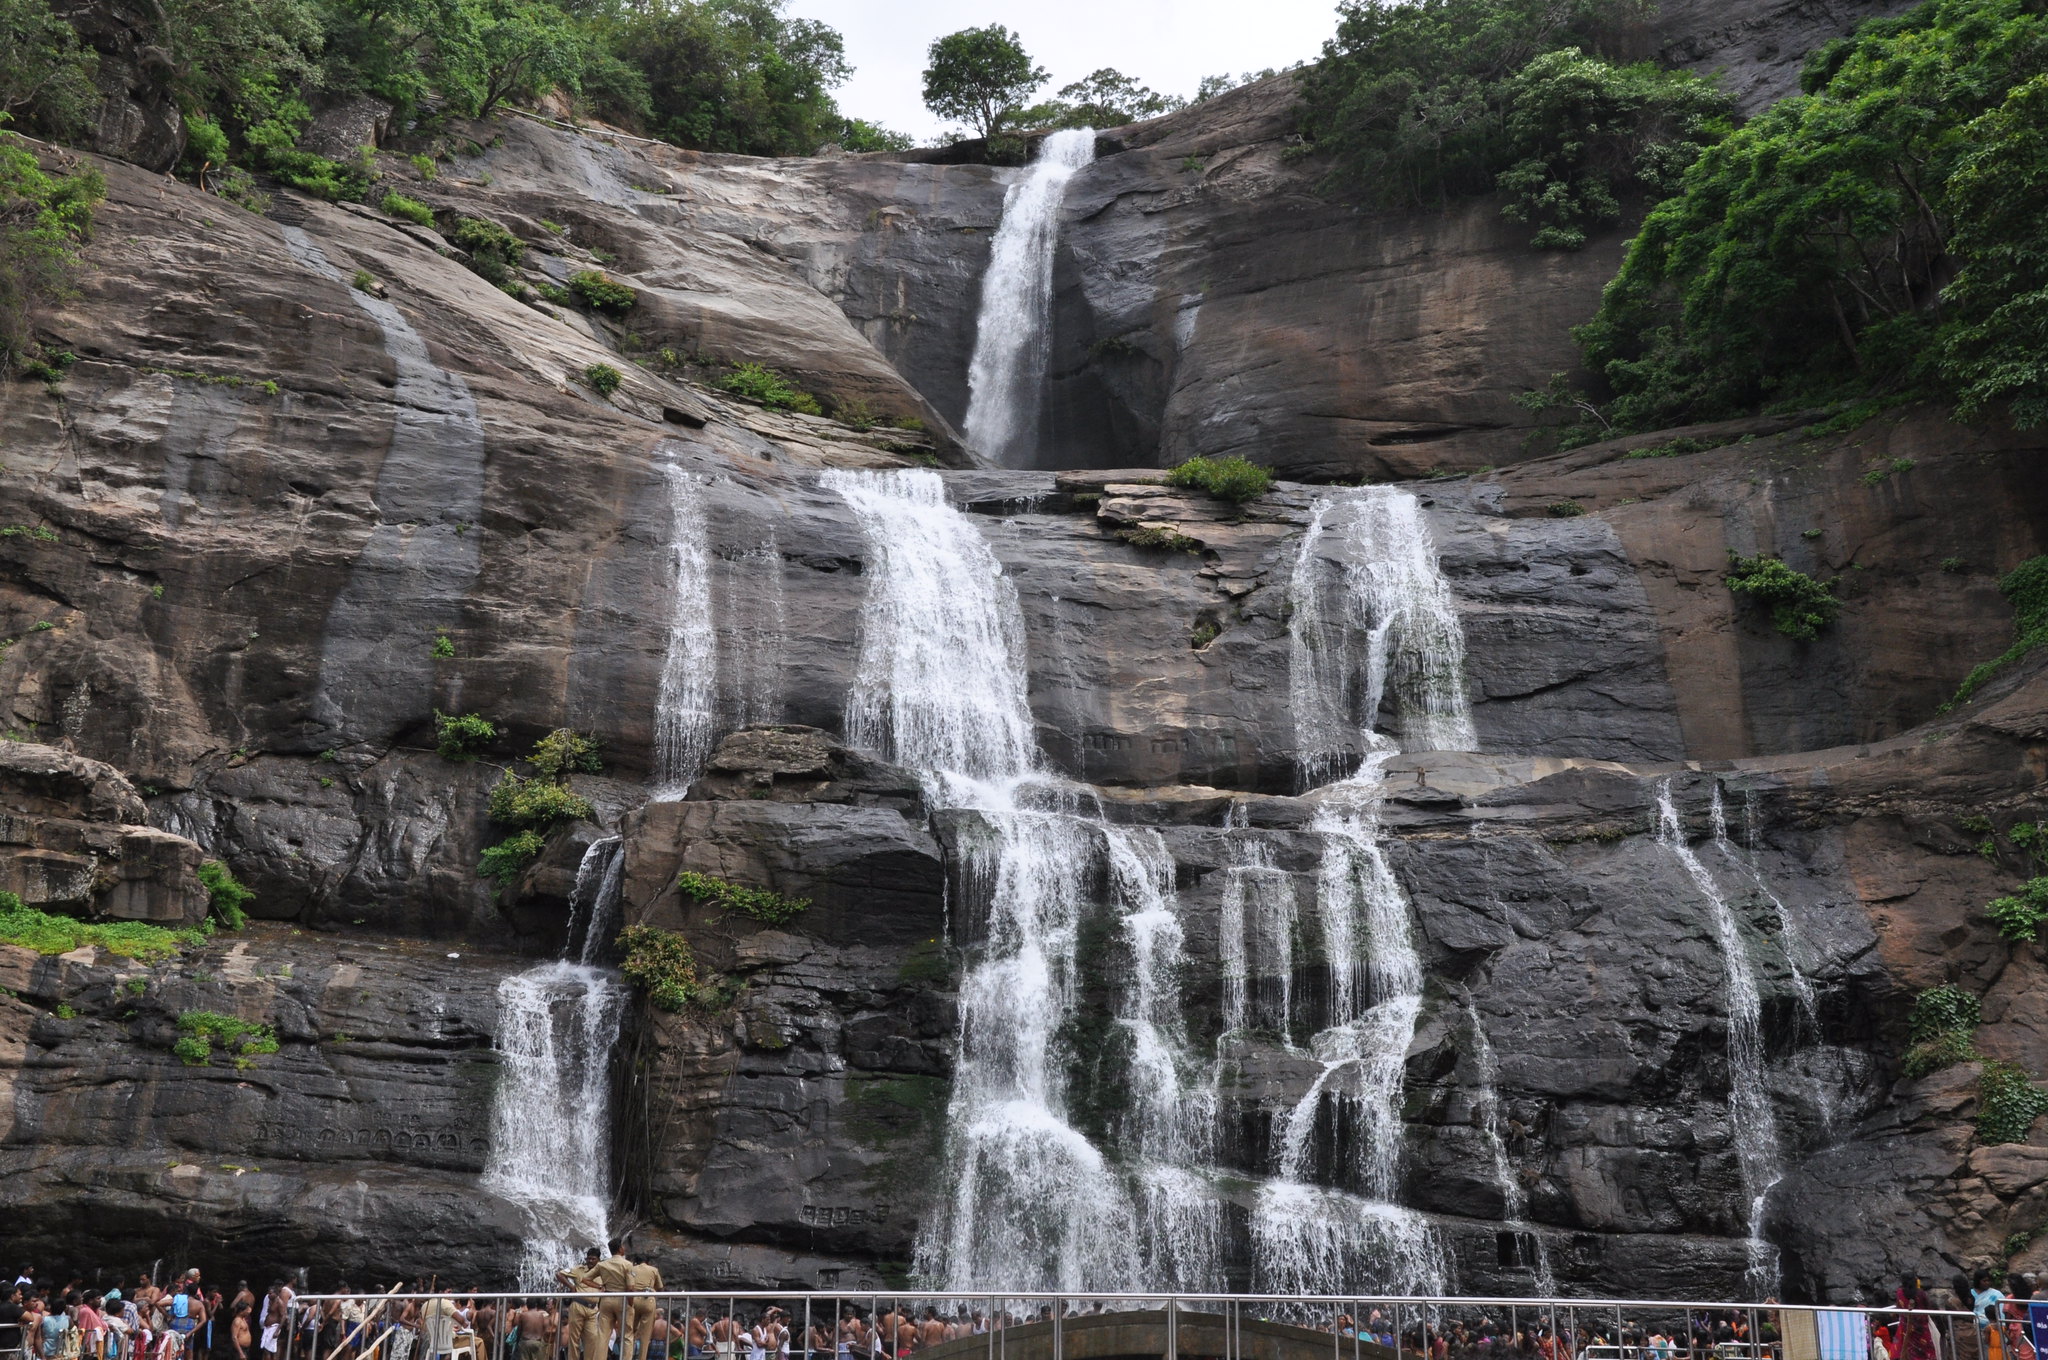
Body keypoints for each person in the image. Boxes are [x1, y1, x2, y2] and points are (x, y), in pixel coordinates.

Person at [624, 1258, 662, 1360]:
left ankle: (628, 1357)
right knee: (645, 1336)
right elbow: (660, 1287)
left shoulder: (632, 1268)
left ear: (636, 1262)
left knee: (630, 1332)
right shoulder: (653, 1270)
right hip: (648, 1300)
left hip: (634, 1299)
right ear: (648, 1262)